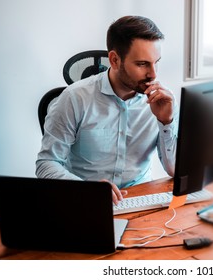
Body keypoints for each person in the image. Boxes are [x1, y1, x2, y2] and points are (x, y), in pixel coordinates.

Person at [36, 16, 178, 204]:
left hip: (141, 199)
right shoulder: (74, 99)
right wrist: (85, 189)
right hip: (88, 201)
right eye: (142, 64)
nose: (153, 74)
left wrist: (166, 121)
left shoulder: (161, 100)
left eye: (156, 62)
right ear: (114, 60)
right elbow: (46, 164)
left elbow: (174, 170)